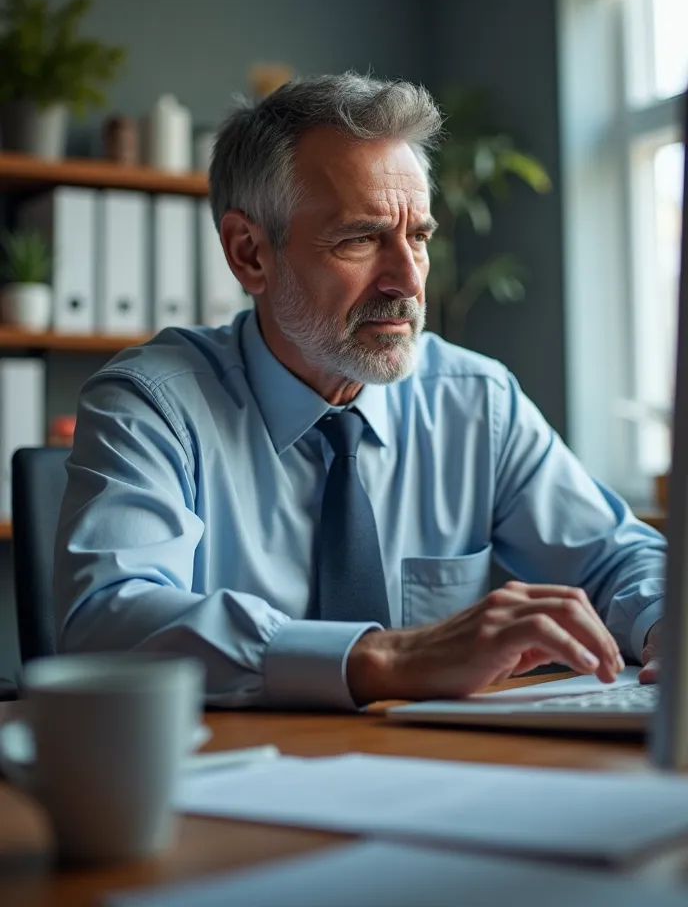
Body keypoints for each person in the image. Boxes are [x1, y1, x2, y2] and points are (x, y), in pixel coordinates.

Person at [53, 73, 664, 709]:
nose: (406, 280)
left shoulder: (477, 401)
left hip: (441, 781)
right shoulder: (152, 405)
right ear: (249, 253)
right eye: (361, 238)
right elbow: (106, 620)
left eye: (419, 237)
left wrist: (662, 624)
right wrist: (388, 657)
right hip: (227, 783)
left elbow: (617, 557)